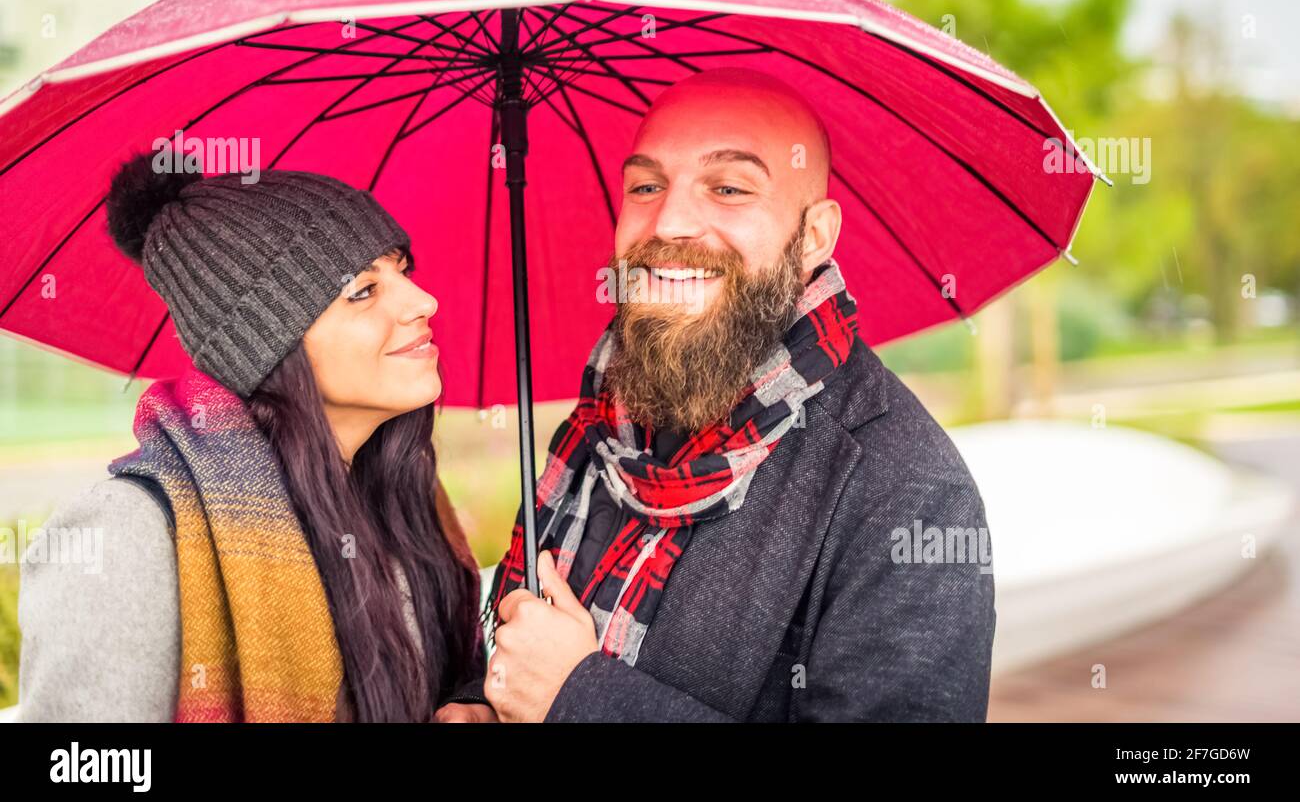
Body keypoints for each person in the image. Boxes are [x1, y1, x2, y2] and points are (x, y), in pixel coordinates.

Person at [436, 66, 996, 723]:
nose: (669, 221)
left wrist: (580, 699)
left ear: (814, 235)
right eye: (646, 185)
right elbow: (530, 650)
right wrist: (483, 703)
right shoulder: (602, 423)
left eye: (729, 187)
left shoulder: (909, 490)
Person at [17, 153, 483, 722]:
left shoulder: (402, 500)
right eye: (363, 290)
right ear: (263, 343)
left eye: (402, 270)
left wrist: (470, 703)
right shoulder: (131, 533)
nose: (423, 301)